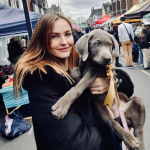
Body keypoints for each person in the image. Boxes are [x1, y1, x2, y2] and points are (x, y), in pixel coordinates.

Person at [13, 13, 134, 150]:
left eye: (68, 34)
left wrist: (111, 82)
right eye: (54, 36)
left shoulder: (80, 60)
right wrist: (120, 131)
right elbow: (74, 144)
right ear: (43, 41)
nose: (64, 41)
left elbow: (119, 78)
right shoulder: (42, 79)